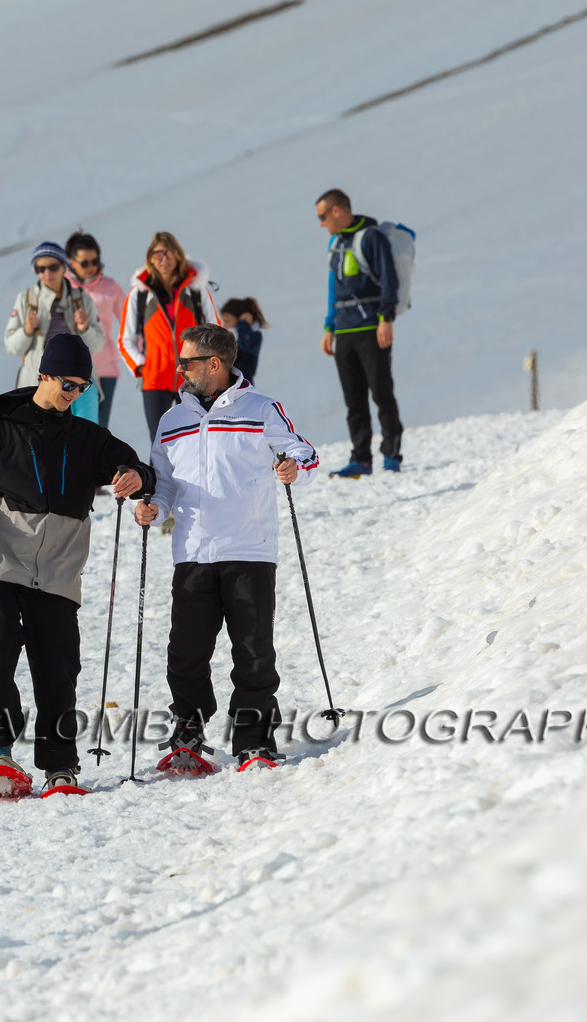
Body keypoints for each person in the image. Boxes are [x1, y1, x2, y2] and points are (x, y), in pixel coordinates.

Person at [0, 334, 154, 796]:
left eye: (82, 387)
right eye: (68, 383)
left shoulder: (88, 438)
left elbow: (140, 470)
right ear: (44, 374)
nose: (74, 394)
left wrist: (136, 477)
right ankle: (0, 751)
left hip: (60, 569)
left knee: (58, 668)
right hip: (2, 558)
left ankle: (60, 766)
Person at [134, 325, 319, 770]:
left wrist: (295, 468)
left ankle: (254, 741)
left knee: (254, 652)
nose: (179, 368)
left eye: (187, 362)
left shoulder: (262, 409)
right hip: (193, 552)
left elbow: (305, 453)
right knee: (186, 652)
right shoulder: (172, 420)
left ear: (214, 365)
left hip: (249, 550)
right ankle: (189, 732)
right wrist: (152, 511)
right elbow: (163, 486)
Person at [316, 188, 403, 478]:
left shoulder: (372, 237)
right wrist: (329, 326)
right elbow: (333, 287)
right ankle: (361, 458)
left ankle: (391, 455)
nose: (321, 223)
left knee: (381, 392)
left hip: (371, 328)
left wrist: (386, 318)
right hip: (344, 329)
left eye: (322, 216)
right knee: (353, 399)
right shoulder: (335, 243)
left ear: (337, 210)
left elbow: (389, 279)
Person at [120, 231, 221, 442]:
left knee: (197, 439)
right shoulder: (139, 294)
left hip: (193, 378)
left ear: (177, 255)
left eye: (168, 252)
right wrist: (141, 366)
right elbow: (125, 340)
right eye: (157, 253)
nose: (163, 258)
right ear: (150, 258)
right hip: (155, 379)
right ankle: (157, 477)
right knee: (160, 442)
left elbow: (217, 332)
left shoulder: (196, 291)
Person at [5, 241, 106, 424]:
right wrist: (27, 331)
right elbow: (12, 346)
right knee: (43, 440)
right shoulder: (26, 300)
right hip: (42, 384)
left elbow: (98, 343)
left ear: (64, 267)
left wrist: (85, 329)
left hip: (81, 382)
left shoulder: (82, 299)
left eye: (52, 267)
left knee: (87, 437)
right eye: (40, 269)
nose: (47, 273)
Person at [66, 231, 127, 430]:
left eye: (95, 261)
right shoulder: (63, 287)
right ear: (71, 262)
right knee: (68, 429)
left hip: (104, 368)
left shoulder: (110, 287)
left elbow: (130, 323)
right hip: (69, 370)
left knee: (98, 432)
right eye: (84, 263)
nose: (91, 267)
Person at [221, 297, 267, 384]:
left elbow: (246, 345)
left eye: (227, 321)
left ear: (239, 319)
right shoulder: (229, 336)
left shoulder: (253, 336)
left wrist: (243, 323)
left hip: (243, 384)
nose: (224, 325)